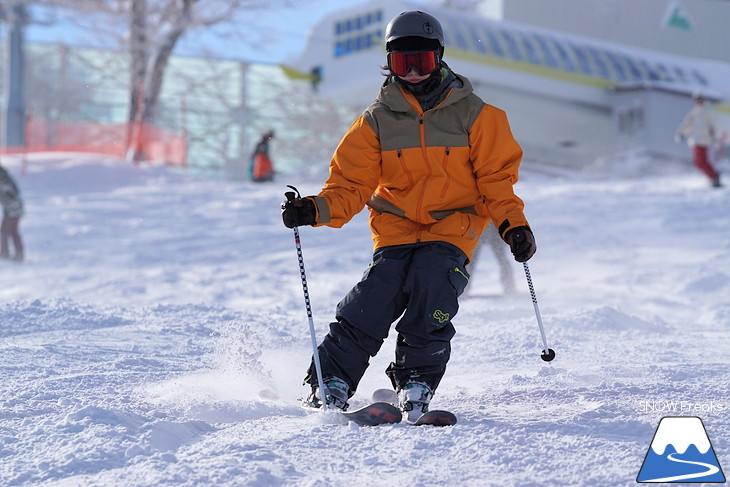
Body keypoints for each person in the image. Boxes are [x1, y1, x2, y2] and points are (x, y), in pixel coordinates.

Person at [281, 10, 536, 421]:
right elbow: (349, 186)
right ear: (389, 63)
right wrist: (312, 208)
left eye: (422, 61)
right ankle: (330, 381)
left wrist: (514, 226)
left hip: (453, 227)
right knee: (373, 297)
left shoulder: (479, 116)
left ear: (439, 57)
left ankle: (416, 381)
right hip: (396, 229)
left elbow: (496, 182)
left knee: (433, 285)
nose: (414, 72)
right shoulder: (375, 122)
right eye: (403, 63)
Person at [675, 93, 722, 188]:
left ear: (704, 100)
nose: (698, 101)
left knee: (700, 161)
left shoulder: (708, 111)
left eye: (700, 99)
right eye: (697, 99)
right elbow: (687, 124)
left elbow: (714, 126)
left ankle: (714, 177)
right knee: (699, 162)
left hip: (704, 140)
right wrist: (680, 133)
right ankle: (713, 176)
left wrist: (714, 138)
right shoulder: (694, 112)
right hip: (695, 140)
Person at [468, 222, 515, 295]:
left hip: (491, 228)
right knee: (470, 260)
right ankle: (465, 288)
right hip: (481, 227)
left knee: (502, 258)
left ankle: (509, 286)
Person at [0, 164, 24, 262]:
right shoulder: (3, 176)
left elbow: (8, 190)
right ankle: (10, 253)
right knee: (8, 231)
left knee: (7, 231)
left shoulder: (3, 178)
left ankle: (9, 254)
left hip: (13, 208)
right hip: (10, 207)